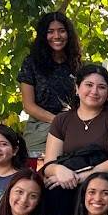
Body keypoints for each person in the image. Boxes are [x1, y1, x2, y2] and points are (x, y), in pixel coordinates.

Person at [42, 63, 108, 215]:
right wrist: (59, 169)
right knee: (50, 193)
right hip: (68, 180)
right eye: (89, 85)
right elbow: (49, 164)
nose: (94, 91)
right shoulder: (61, 120)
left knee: (83, 194)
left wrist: (78, 178)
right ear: (77, 88)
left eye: (101, 87)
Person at [18, 12, 82, 156]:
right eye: (50, 32)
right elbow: (28, 106)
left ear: (68, 34)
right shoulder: (31, 63)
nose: (57, 36)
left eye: (61, 31)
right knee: (37, 174)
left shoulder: (77, 65)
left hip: (72, 128)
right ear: (43, 36)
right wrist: (57, 121)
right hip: (39, 128)